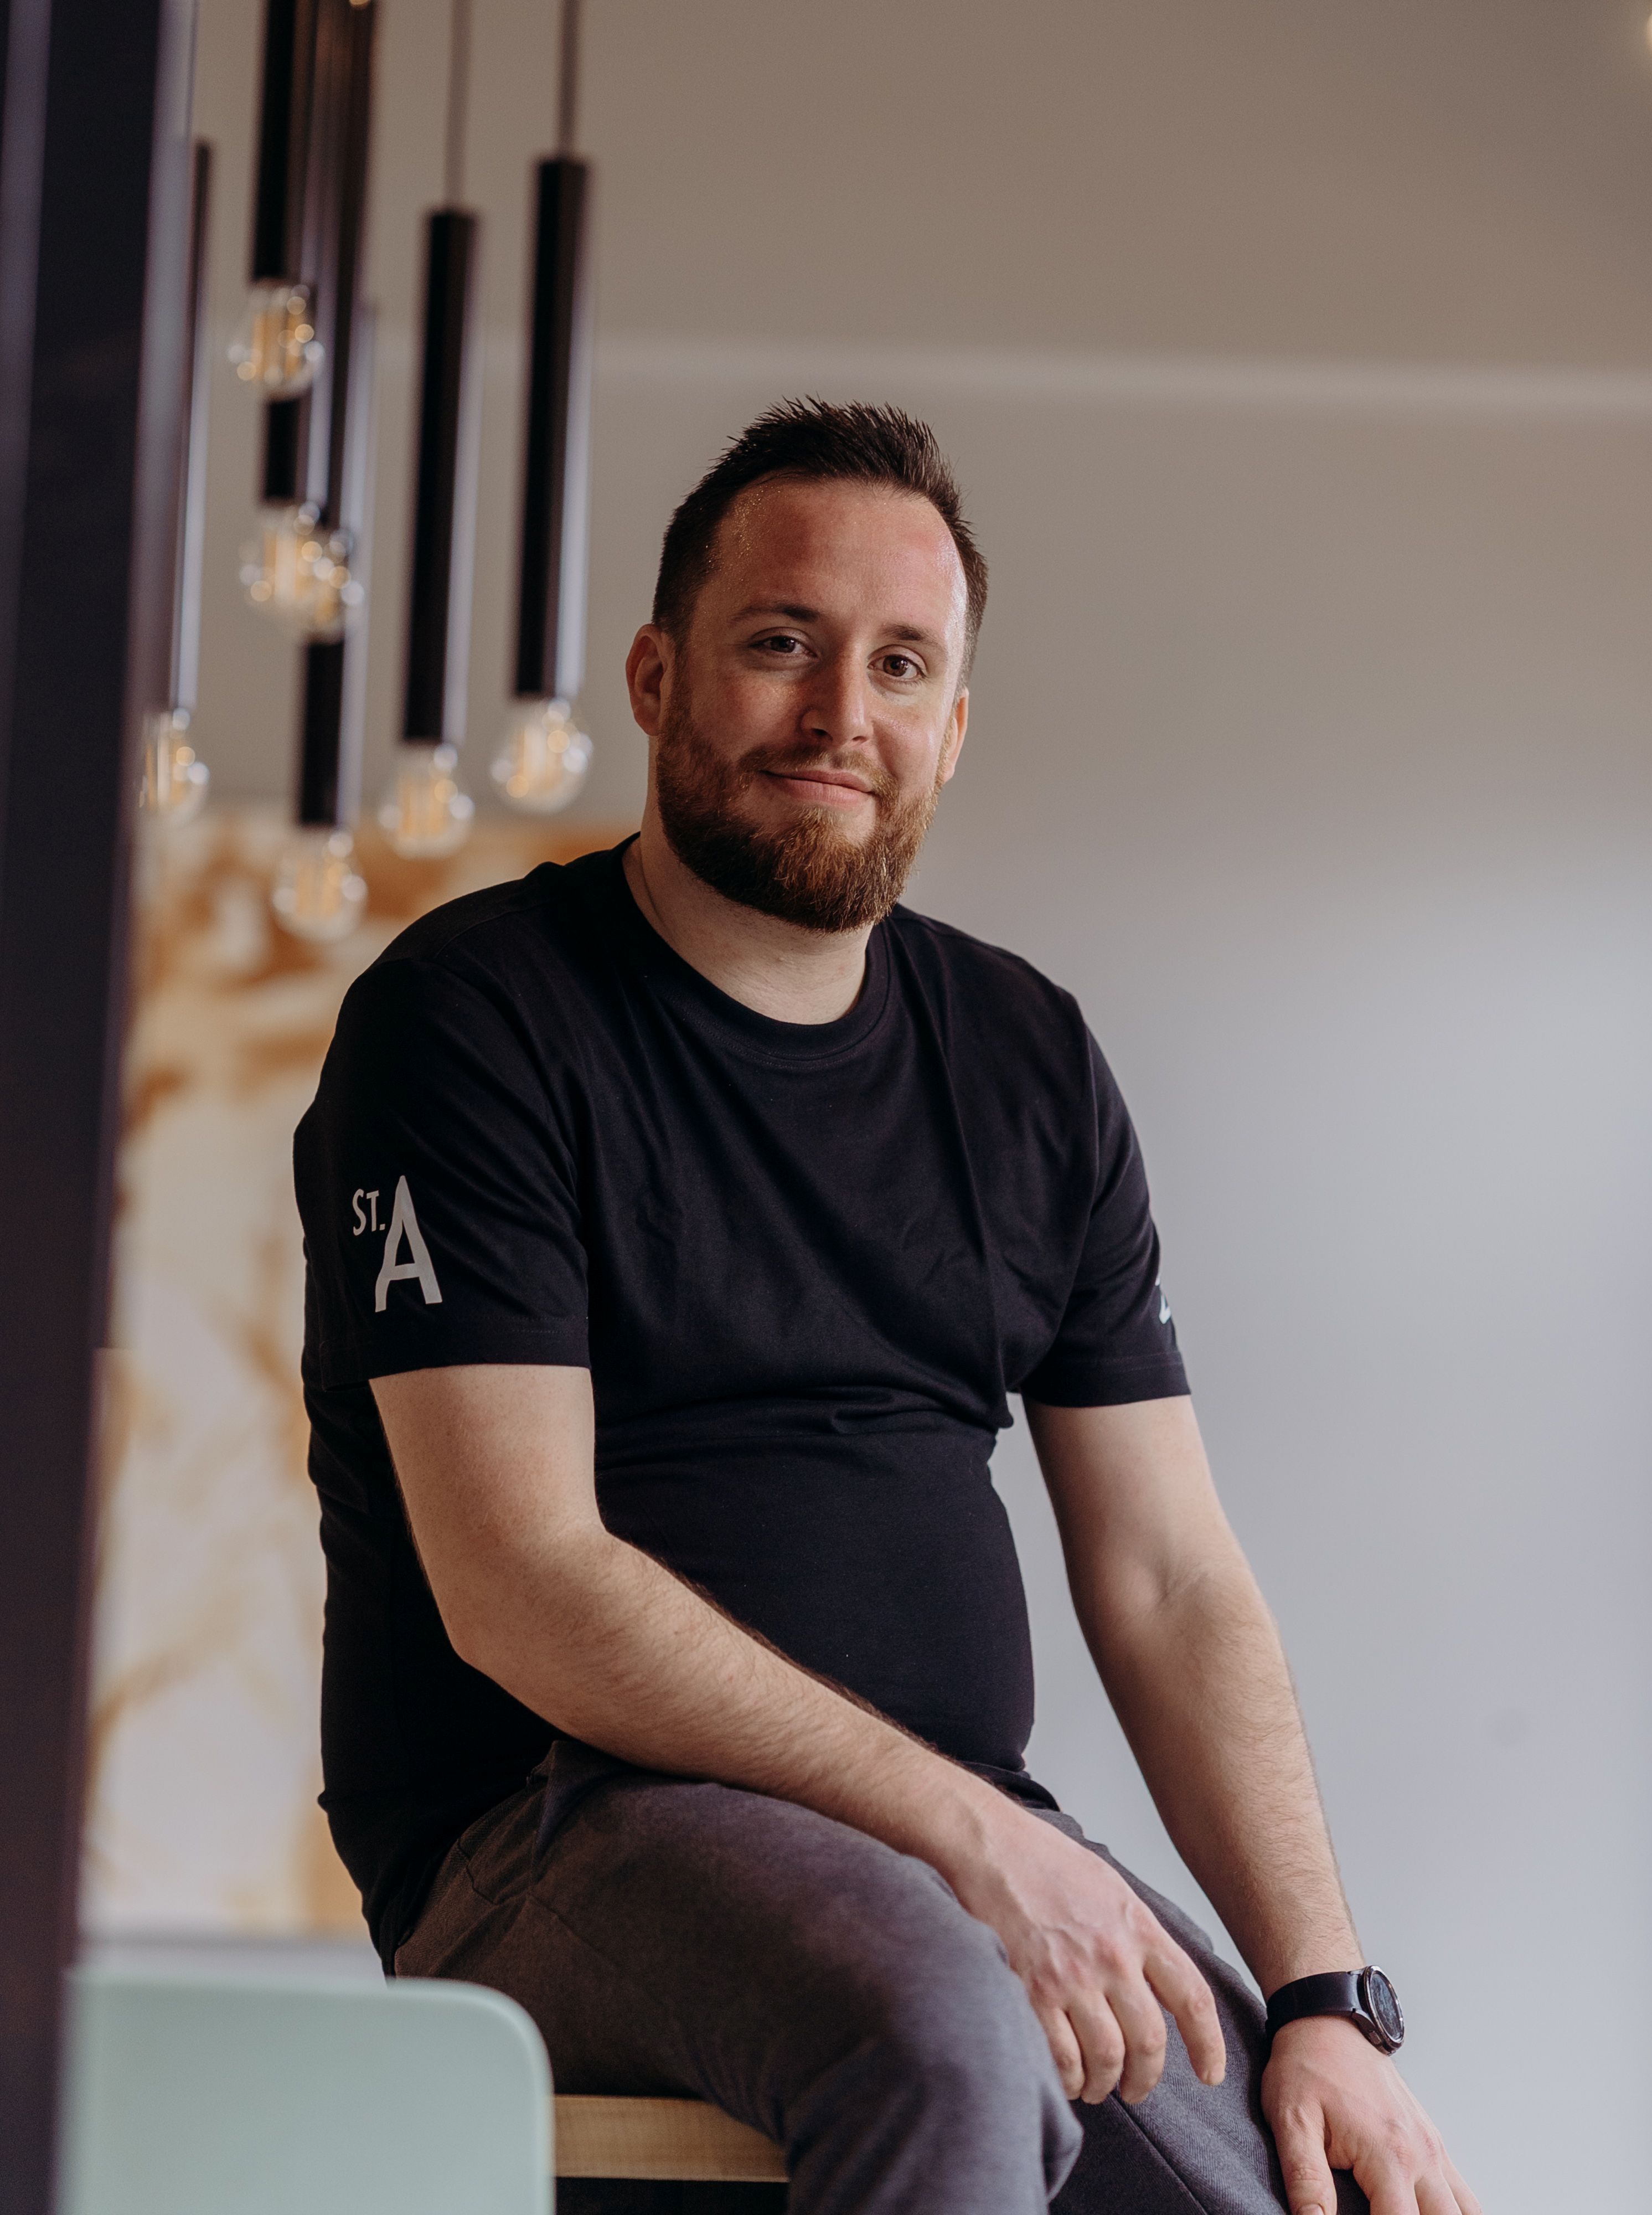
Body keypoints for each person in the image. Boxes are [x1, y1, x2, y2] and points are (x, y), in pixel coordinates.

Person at [294, 400, 1480, 2215]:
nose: (844, 712)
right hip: (551, 1829)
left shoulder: (1026, 1056)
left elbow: (1170, 1577)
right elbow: (523, 1578)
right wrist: (972, 1838)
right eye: (784, 643)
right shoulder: (471, 1023)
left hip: (958, 1840)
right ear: (657, 678)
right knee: (944, 2024)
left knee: (1326, 2178)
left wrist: (1325, 1998)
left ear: (954, 727)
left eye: (903, 664)